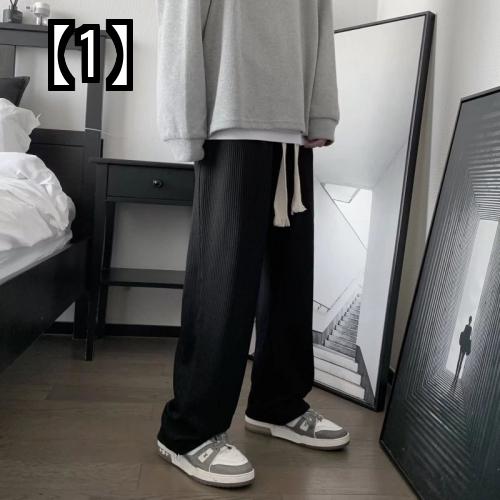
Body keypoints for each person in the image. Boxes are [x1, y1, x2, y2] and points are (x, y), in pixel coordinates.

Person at [155, 0, 350, 488]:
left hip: (292, 131)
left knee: (290, 283)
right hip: (231, 121)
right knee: (223, 287)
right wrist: (183, 127)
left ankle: (277, 405)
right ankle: (188, 431)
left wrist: (321, 113)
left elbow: (319, 20)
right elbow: (180, 24)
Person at [453, 316, 473, 385]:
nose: (470, 320)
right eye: (470, 319)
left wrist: (462, 341)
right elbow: (466, 335)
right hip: (464, 345)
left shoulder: (468, 328)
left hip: (464, 345)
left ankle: (457, 373)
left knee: (460, 360)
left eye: (470, 319)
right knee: (460, 360)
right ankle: (457, 373)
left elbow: (465, 334)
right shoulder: (468, 327)